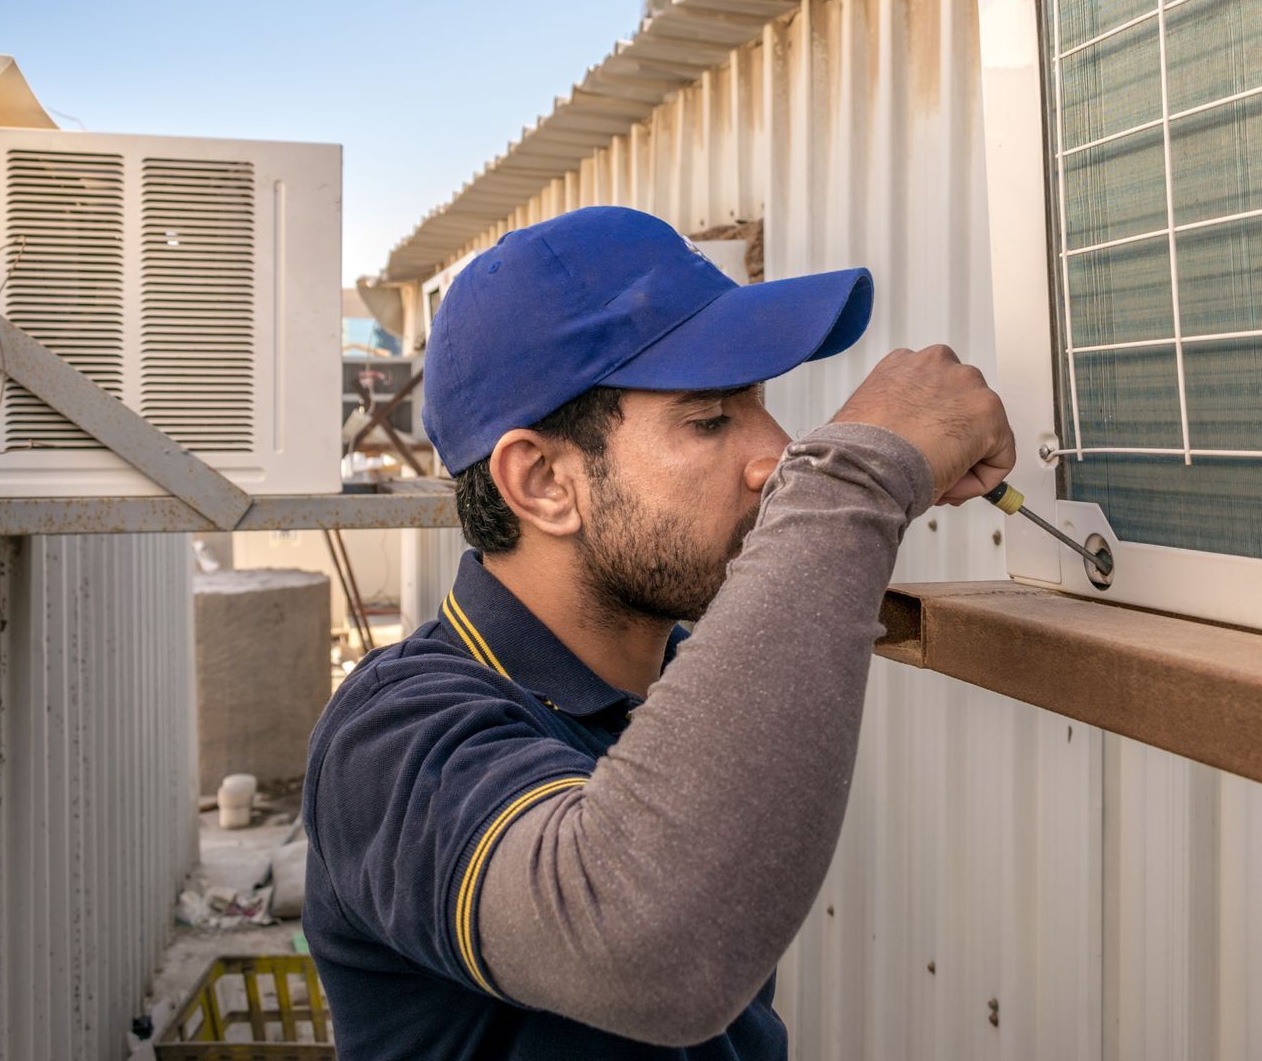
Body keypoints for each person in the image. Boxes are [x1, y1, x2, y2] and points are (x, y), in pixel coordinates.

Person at [302, 206, 1014, 1059]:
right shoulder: (392, 736)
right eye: (709, 419)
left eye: (759, 404)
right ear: (542, 482)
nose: (778, 454)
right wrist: (854, 480)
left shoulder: (687, 677)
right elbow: (646, 948)